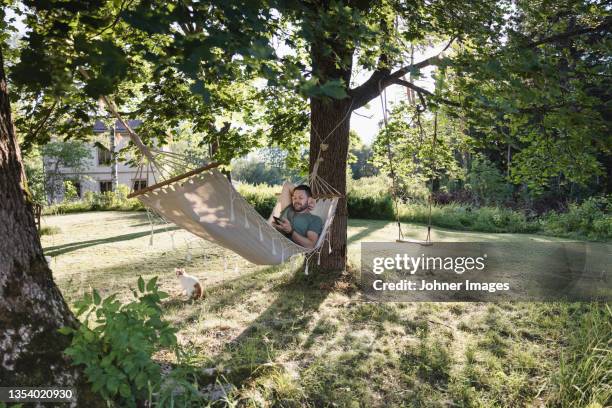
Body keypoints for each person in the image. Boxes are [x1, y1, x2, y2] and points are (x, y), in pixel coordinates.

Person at [271, 184, 323, 248]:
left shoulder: (315, 219)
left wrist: (290, 231)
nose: (296, 201)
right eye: (294, 198)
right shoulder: (289, 209)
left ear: (309, 200)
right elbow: (287, 185)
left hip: (279, 247)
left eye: (300, 198)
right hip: (269, 237)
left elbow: (310, 245)